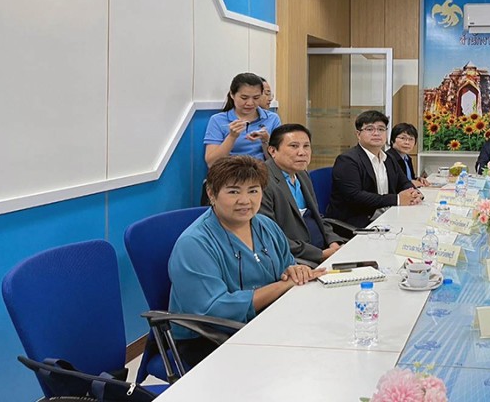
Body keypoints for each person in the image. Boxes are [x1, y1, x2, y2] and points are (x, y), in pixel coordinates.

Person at [168, 156, 323, 365]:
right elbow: (214, 309)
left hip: (267, 321)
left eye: (253, 190)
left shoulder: (266, 225)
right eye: (233, 192)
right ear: (211, 194)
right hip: (211, 337)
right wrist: (282, 286)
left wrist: (295, 271)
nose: (245, 201)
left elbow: (287, 264)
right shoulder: (194, 243)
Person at [260, 124, 344, 267]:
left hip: (324, 250)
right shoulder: (262, 181)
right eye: (294, 146)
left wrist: (333, 242)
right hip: (298, 260)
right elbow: (269, 236)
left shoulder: (302, 174)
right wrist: (320, 254)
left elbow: (317, 216)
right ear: (272, 151)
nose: (302, 152)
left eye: (306, 146)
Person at [326, 110, 423, 228]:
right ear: (358, 134)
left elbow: (404, 183)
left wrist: (414, 194)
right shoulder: (347, 160)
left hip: (387, 216)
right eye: (370, 129)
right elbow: (355, 196)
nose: (376, 133)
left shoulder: (389, 158)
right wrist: (397, 199)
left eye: (381, 129)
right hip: (358, 223)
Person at [204, 73, 281, 166]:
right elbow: (212, 162)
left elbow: (278, 162)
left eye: (256, 98)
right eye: (244, 98)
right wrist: (232, 137)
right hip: (230, 172)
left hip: (262, 171)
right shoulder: (217, 120)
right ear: (232, 94)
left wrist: (266, 141)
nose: (250, 103)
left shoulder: (272, 118)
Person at [387, 123, 430, 187]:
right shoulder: (388, 159)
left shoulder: (406, 158)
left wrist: (418, 179)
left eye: (411, 139)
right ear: (392, 140)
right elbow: (391, 185)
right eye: (402, 138)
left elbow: (407, 178)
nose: (407, 142)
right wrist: (410, 183)